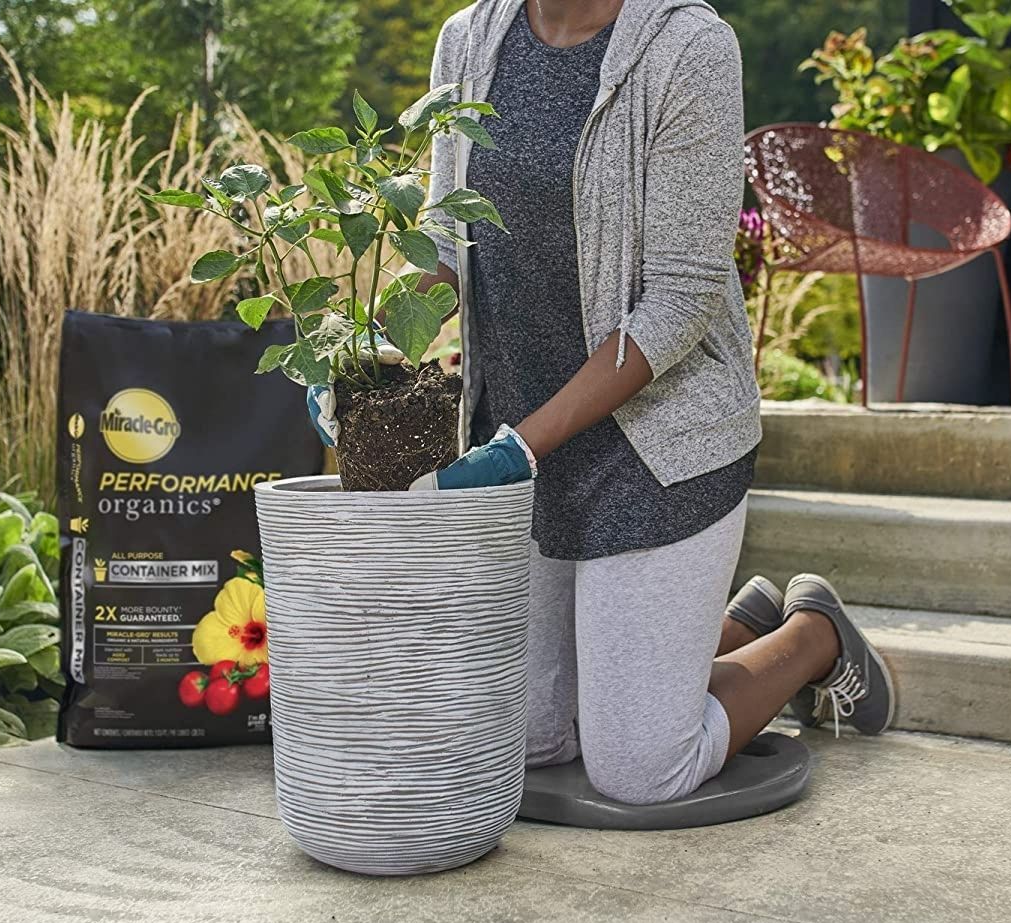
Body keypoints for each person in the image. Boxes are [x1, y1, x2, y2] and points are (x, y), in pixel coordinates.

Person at [323, 0, 896, 806]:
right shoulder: (469, 41)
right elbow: (451, 247)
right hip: (522, 446)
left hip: (656, 448)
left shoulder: (687, 48)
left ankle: (811, 635)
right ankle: (731, 622)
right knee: (529, 740)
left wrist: (518, 448)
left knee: (637, 770)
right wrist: (360, 353)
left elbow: (680, 304)